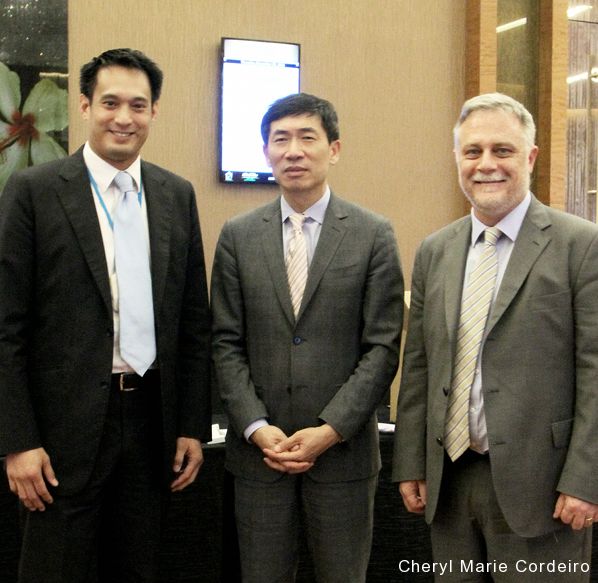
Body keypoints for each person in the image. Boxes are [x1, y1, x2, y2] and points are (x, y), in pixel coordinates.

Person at [0, 48, 211, 583]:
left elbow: (192, 324)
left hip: (150, 428)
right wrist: (18, 442)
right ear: (86, 105)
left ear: (154, 112)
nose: (124, 117)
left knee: (138, 569)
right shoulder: (33, 192)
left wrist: (190, 425)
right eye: (110, 102)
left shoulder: (175, 195)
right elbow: (6, 329)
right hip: (58, 434)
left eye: (138, 105)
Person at [393, 92, 598, 581]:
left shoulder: (580, 245)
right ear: (458, 160)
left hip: (544, 489)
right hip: (451, 482)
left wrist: (586, 479)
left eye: (502, 151)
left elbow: (595, 370)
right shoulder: (435, 251)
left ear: (529, 157)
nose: (486, 164)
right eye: (473, 151)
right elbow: (419, 364)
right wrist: (410, 462)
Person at [211, 92, 403, 582]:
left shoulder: (372, 234)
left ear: (333, 149)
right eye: (280, 139)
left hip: (343, 457)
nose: (293, 150)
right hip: (260, 459)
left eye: (307, 138)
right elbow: (224, 343)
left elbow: (382, 348)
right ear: (266, 153)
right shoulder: (236, 235)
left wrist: (331, 429)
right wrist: (255, 426)